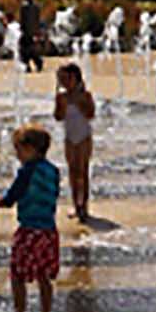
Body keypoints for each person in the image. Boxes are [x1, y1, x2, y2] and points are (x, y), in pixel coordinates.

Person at [0, 122, 61, 312]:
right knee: (44, 276)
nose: (17, 154)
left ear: (31, 149)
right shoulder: (53, 171)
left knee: (17, 275)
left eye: (18, 149)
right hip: (49, 231)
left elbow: (11, 198)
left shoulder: (27, 171)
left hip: (29, 232)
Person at [54, 61, 96, 222]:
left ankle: (84, 205)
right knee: (72, 172)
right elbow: (58, 117)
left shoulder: (85, 95)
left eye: (66, 78)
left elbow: (91, 114)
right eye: (61, 79)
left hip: (84, 137)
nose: (63, 82)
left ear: (75, 78)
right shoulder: (62, 97)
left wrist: (79, 103)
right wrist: (61, 106)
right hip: (69, 138)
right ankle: (75, 205)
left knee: (83, 171)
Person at [18, 0, 43, 73]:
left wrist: (36, 31)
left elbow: (34, 20)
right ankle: (28, 65)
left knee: (30, 50)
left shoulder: (29, 7)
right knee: (25, 50)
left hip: (30, 32)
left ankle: (37, 63)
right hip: (28, 32)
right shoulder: (30, 7)